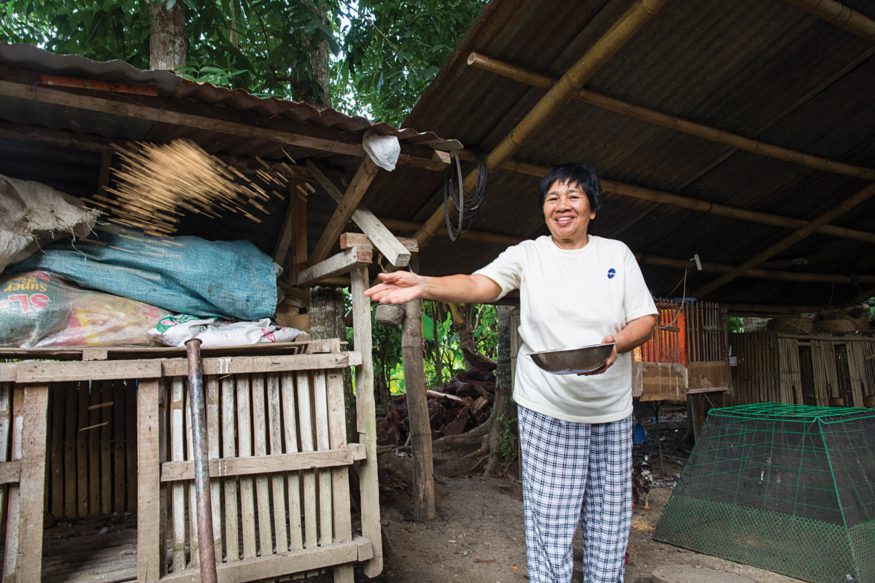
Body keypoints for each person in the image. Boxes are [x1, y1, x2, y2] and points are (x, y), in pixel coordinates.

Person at [365, 162, 658, 583]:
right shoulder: (529, 254)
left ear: (592, 208)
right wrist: (424, 284)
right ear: (543, 209)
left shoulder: (617, 254)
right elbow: (477, 284)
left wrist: (618, 344)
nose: (562, 206)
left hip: (610, 410)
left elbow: (645, 318)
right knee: (550, 522)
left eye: (573, 196)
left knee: (610, 522)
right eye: (552, 198)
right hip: (547, 406)